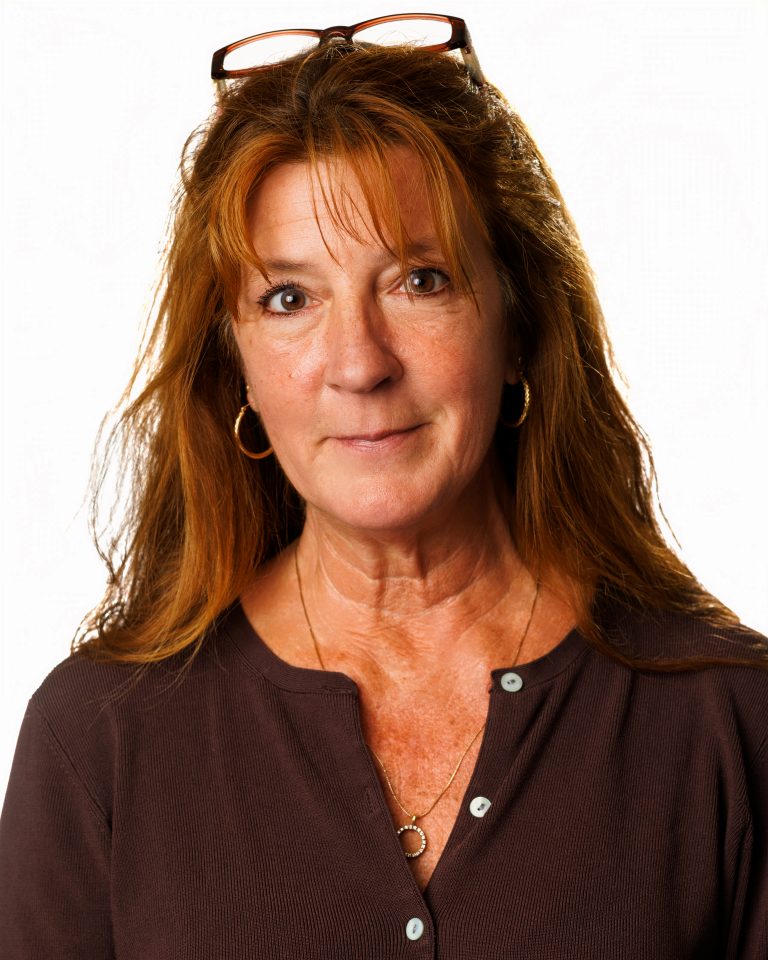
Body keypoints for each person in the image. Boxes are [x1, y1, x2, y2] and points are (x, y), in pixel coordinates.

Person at [1, 13, 766, 958]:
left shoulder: (728, 721)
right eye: (289, 298)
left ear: (520, 325)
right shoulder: (100, 741)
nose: (359, 364)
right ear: (237, 365)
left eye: (419, 280)